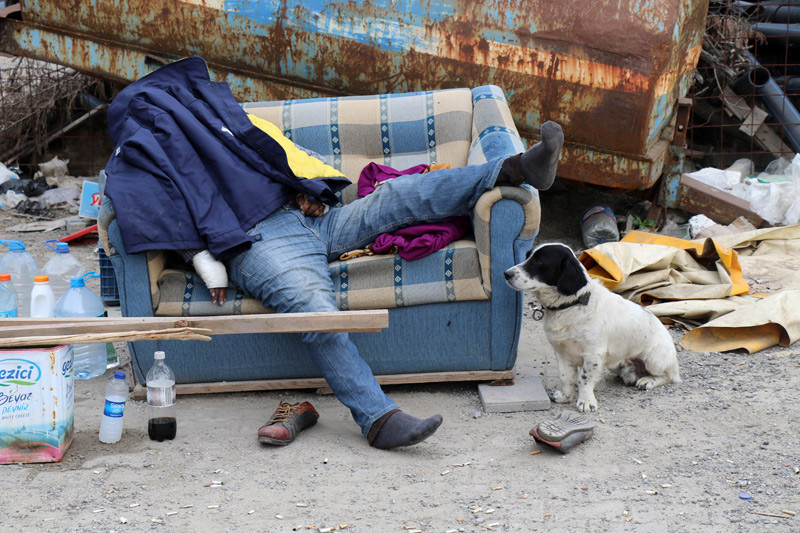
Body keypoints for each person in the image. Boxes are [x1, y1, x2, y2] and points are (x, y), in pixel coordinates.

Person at [104, 56, 563, 450]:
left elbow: (282, 154)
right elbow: (162, 216)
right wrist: (209, 266)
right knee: (312, 304)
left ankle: (517, 167)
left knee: (396, 195)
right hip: (257, 244)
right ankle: (378, 418)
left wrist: (313, 190)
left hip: (310, 218)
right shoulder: (145, 155)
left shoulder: (226, 126)